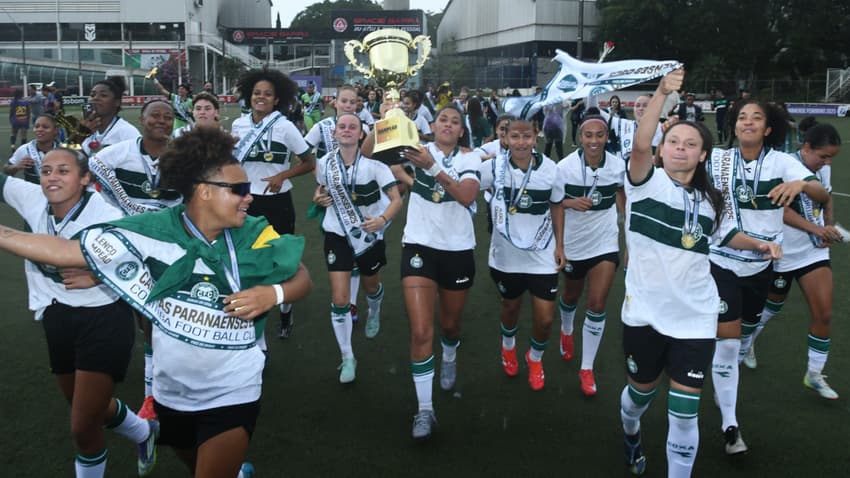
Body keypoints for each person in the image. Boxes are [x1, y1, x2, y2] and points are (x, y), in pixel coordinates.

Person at [0, 127, 312, 478]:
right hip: (172, 391)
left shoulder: (254, 232)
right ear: (205, 192)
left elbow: (301, 276)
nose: (248, 197)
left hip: (234, 386)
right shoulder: (151, 231)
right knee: (193, 459)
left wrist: (274, 294)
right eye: (239, 190)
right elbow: (66, 251)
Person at [618, 69, 781, 478]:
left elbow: (728, 235)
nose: (680, 148)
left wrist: (761, 245)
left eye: (691, 144)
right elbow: (640, 144)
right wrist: (660, 93)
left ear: (703, 155)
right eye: (673, 141)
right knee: (638, 397)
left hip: (696, 316)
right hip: (645, 315)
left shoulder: (712, 201)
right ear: (661, 149)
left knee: (685, 414)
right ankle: (631, 430)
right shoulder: (645, 185)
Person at [0, 147, 158, 477]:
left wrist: (98, 273)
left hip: (104, 318)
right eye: (46, 171)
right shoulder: (32, 197)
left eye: (63, 171)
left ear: (85, 178)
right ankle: (145, 433)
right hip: (57, 315)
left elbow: (147, 268)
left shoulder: (107, 217)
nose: (52, 178)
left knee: (82, 429)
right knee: (87, 407)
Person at [707, 97, 830, 455]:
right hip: (721, 260)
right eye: (742, 117)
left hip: (762, 267)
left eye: (755, 118)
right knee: (728, 345)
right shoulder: (717, 158)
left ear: (768, 128)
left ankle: (724, 379)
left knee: (743, 335)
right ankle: (731, 427)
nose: (747, 122)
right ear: (734, 125)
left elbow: (821, 193)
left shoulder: (782, 162)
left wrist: (803, 187)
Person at [88, 99, 182, 423]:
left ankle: (151, 395)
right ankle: (150, 389)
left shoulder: (181, 156)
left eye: (168, 117)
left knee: (153, 319)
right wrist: (115, 210)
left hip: (166, 248)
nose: (162, 120)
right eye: (155, 115)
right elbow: (93, 169)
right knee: (136, 317)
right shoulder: (120, 152)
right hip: (128, 246)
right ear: (141, 119)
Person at [398, 104, 480, 440]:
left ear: (462, 130)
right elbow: (369, 150)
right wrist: (389, 118)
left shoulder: (469, 157)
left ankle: (449, 354)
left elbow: (466, 195)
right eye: (443, 119)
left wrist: (431, 168)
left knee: (450, 324)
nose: (448, 124)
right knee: (420, 331)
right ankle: (425, 410)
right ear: (433, 125)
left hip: (458, 250)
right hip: (418, 246)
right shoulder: (417, 148)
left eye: (455, 122)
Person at [747, 123, 842, 400]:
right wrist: (816, 229)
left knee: (823, 312)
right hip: (781, 250)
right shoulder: (783, 164)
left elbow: (827, 197)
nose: (826, 163)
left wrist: (828, 224)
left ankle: (814, 374)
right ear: (807, 148)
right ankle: (749, 342)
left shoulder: (823, 168)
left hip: (812, 252)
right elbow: (782, 211)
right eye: (822, 156)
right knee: (771, 307)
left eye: (830, 158)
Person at [312, 113, 402, 382]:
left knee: (370, 286)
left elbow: (396, 200)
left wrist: (382, 219)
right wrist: (318, 197)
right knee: (340, 299)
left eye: (353, 127)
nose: (347, 130)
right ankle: (347, 357)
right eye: (342, 126)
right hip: (336, 233)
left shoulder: (376, 167)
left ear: (361, 134)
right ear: (335, 133)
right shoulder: (324, 163)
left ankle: (374, 309)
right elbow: (320, 190)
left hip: (368, 234)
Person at [479, 119, 566, 390]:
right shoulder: (495, 166)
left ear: (536, 136)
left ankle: (535, 358)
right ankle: (508, 347)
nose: (521, 142)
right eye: (514, 136)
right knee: (511, 306)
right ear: (504, 137)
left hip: (541, 254)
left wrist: (560, 245)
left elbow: (557, 206)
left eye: (526, 136)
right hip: (506, 254)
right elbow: (467, 185)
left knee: (545, 318)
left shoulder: (551, 170)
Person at [231, 69, 314, 340]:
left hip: (278, 202)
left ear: (277, 99)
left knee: (283, 259)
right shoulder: (238, 126)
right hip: (246, 201)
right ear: (249, 96)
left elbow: (308, 162)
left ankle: (285, 310)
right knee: (246, 258)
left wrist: (283, 175)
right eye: (257, 93)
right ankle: (254, 319)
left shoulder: (285, 126)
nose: (261, 97)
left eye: (267, 94)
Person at [555, 113, 625, 396]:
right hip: (573, 243)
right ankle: (567, 328)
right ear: (580, 138)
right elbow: (554, 203)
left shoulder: (618, 165)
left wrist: (624, 216)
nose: (594, 141)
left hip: (605, 243)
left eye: (600, 135)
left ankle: (587, 368)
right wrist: (570, 202)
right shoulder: (564, 168)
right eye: (588, 135)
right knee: (571, 296)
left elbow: (624, 191)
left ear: (607, 137)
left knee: (596, 303)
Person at [79, 76, 141, 156]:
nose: (95, 98)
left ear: (117, 102)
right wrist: (80, 133)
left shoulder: (127, 132)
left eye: (103, 95)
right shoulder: (88, 129)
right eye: (92, 95)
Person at [5, 113, 60, 184]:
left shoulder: (64, 151)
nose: (39, 129)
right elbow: (6, 170)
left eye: (45, 127)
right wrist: (16, 166)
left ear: (55, 130)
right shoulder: (24, 149)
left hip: (58, 194)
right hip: (32, 194)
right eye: (36, 126)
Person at [9, 88, 30, 153]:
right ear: (21, 94)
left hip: (16, 119)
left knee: (13, 133)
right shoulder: (25, 102)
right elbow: (28, 112)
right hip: (24, 119)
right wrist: (28, 120)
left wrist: (10, 119)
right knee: (23, 135)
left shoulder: (13, 102)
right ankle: (22, 149)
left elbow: (11, 112)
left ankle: (13, 146)